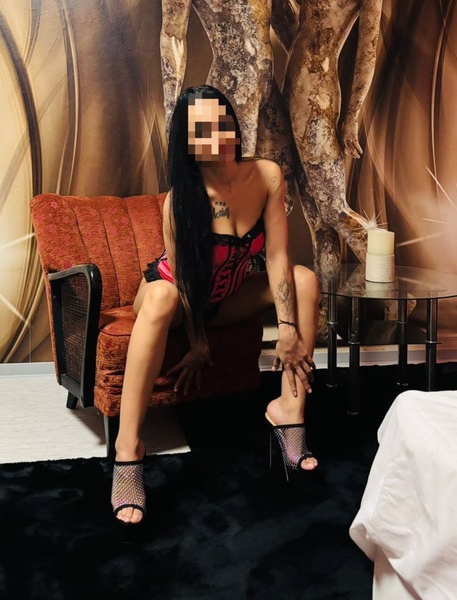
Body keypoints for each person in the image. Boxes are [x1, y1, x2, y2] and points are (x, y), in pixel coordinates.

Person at [111, 85, 320, 525]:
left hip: (223, 298)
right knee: (164, 294)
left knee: (304, 279)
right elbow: (186, 281)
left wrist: (286, 329)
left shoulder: (266, 175)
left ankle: (289, 410)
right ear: (187, 142)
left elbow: (277, 256)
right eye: (202, 131)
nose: (218, 138)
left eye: (223, 124)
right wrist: (198, 342)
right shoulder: (181, 201)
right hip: (174, 295)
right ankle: (128, 450)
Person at [160, 0, 300, 214]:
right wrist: (171, 108)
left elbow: (285, 21)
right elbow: (173, 35)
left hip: (266, 84)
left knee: (283, 190)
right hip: (233, 86)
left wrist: (311, 68)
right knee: (236, 192)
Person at [283, 0, 383, 281]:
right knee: (317, 219)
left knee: (334, 209)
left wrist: (352, 116)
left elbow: (368, 52)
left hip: (317, 94)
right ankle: (327, 301)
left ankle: (394, 290)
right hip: (292, 87)